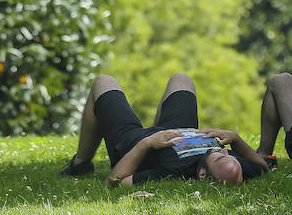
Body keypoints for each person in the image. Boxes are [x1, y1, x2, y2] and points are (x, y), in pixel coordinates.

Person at [59, 72, 269, 186]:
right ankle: (158, 125)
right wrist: (236, 139)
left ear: (202, 174)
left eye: (221, 157)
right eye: (229, 155)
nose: (223, 151)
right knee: (181, 79)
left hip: (132, 142)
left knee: (102, 82)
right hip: (176, 128)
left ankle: (80, 164)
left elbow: (115, 181)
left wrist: (146, 143)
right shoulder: (233, 167)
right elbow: (262, 167)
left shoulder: (174, 172)